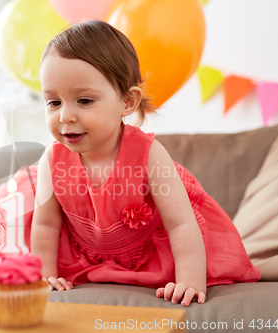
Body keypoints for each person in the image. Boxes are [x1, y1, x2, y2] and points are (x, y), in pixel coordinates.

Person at [29, 20, 261, 307]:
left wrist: (190, 281)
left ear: (128, 101)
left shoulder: (149, 154)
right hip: (83, 256)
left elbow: (181, 225)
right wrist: (44, 276)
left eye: (84, 100)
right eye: (53, 102)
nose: (65, 116)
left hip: (148, 254)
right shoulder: (52, 160)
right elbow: (46, 227)